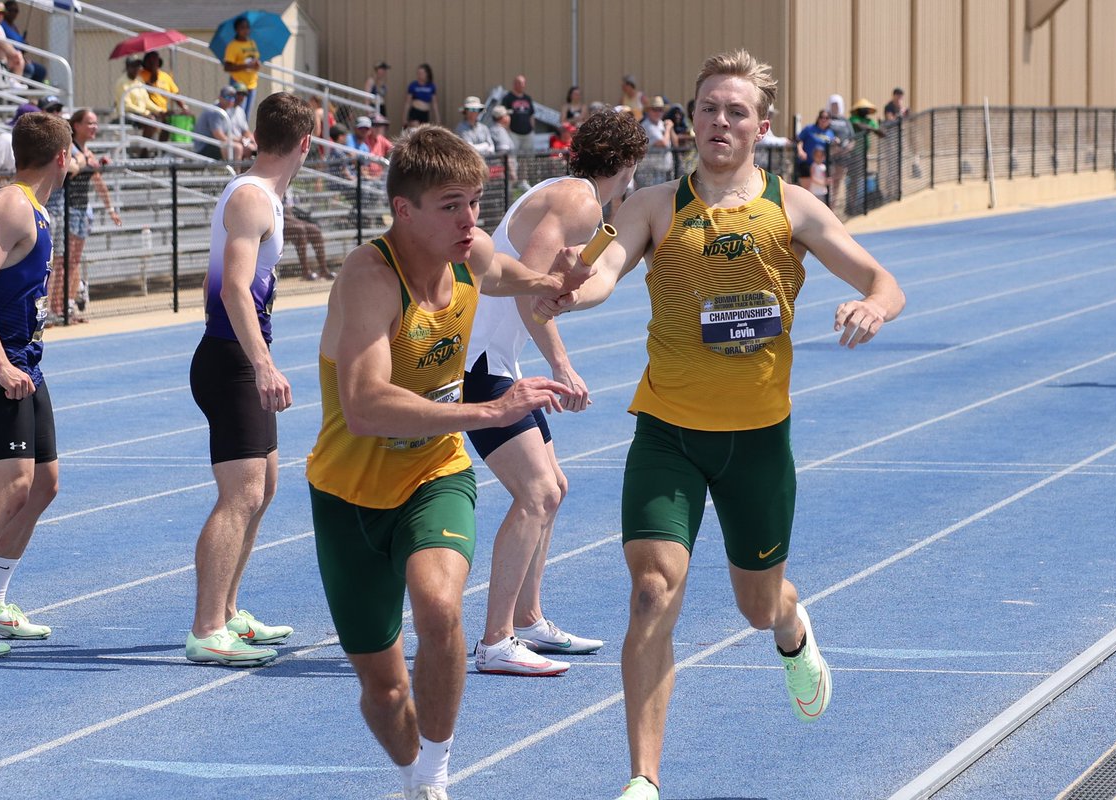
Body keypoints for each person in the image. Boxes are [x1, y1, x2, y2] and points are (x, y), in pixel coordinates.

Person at [535, 50, 905, 800]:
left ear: (762, 127)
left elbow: (882, 279)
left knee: (756, 604)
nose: (720, 122)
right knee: (650, 592)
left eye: (736, 111)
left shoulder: (794, 206)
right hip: (667, 433)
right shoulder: (650, 207)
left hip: (757, 443)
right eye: (708, 108)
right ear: (690, 121)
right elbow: (604, 271)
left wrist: (872, 306)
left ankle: (791, 628)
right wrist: (574, 288)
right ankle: (644, 780)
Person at [305, 125, 592, 799]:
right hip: (347, 495)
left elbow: (509, 276)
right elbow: (367, 407)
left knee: (439, 609)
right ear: (403, 211)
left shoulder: (472, 253)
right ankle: (414, 766)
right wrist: (490, 413)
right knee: (383, 690)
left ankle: (433, 782)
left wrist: (553, 284)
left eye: (475, 202)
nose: (470, 219)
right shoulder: (370, 279)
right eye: (450, 205)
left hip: (434, 476)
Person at [463, 109, 648, 678]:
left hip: (500, 360)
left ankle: (528, 618)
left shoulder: (564, 192)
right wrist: (563, 366)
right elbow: (529, 284)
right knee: (538, 493)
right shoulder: (580, 202)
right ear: (629, 164)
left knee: (554, 487)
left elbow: (533, 282)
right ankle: (495, 639)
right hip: (481, 365)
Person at [185, 92, 315, 667]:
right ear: (306, 144)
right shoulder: (251, 199)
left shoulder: (264, 198)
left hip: (239, 355)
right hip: (230, 359)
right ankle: (206, 626)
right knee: (240, 494)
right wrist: (262, 362)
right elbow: (233, 288)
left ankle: (229, 608)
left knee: (263, 489)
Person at [0, 111, 72, 658]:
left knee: (44, 484)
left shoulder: (38, 210)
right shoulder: (12, 205)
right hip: (3, 365)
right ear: (62, 158)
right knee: (12, 488)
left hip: (28, 364)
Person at [44, 109, 122, 324]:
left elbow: (98, 182)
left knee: (74, 261)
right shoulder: (70, 149)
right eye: (90, 123)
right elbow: (69, 171)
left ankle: (66, 307)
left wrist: (111, 210)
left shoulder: (87, 152)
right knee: (62, 261)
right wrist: (82, 161)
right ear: (76, 125)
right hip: (67, 208)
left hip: (82, 208)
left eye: (96, 123)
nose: (94, 127)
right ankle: (55, 307)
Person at [139, 51, 189, 141]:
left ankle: (162, 149)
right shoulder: (141, 75)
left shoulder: (165, 76)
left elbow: (175, 94)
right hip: (148, 110)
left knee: (171, 118)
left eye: (155, 60)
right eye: (150, 61)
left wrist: (184, 107)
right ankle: (144, 150)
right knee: (152, 120)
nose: (152, 63)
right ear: (145, 63)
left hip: (163, 110)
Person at [113, 57, 163, 142]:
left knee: (165, 118)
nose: (137, 69)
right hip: (126, 115)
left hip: (141, 115)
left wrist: (160, 111)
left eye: (138, 66)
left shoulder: (139, 81)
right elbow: (126, 106)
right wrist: (145, 113)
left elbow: (146, 101)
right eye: (134, 66)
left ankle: (163, 150)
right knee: (150, 120)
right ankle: (144, 150)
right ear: (128, 67)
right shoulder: (121, 83)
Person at [222, 15, 261, 116]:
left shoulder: (252, 43)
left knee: (246, 115)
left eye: (247, 27)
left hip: (252, 83)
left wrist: (256, 65)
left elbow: (255, 59)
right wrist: (246, 66)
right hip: (239, 83)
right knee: (238, 112)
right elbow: (227, 67)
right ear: (237, 30)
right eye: (242, 27)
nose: (245, 30)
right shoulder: (233, 45)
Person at [193, 87, 242, 162]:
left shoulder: (227, 111)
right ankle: (235, 172)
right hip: (204, 146)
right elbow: (218, 135)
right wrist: (235, 142)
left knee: (247, 147)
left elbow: (226, 134)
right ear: (220, 98)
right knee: (238, 148)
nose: (230, 100)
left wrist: (239, 139)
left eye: (233, 98)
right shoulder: (215, 111)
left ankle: (242, 171)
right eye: (228, 97)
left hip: (215, 143)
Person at [636, 96, 675, 187]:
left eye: (660, 110)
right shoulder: (647, 126)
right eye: (655, 109)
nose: (658, 112)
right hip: (650, 173)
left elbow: (675, 142)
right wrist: (668, 128)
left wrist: (671, 128)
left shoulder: (661, 123)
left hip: (664, 171)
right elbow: (663, 143)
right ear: (648, 111)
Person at [0, 2, 43, 82]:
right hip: (8, 58)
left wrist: (24, 45)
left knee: (41, 70)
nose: (14, 13)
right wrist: (18, 54)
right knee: (29, 68)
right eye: (11, 10)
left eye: (16, 11)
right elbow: (9, 48)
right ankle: (19, 93)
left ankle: (25, 92)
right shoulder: (1, 26)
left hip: (17, 57)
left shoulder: (14, 27)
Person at [796, 109, 838, 191]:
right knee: (806, 190)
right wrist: (800, 151)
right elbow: (799, 141)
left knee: (819, 190)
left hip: (820, 167)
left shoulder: (830, 133)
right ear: (818, 118)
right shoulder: (809, 129)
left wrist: (836, 143)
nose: (824, 120)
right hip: (807, 163)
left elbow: (832, 150)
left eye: (827, 118)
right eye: (822, 117)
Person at [501, 74, 535, 158]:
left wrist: (532, 128)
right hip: (514, 133)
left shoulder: (528, 98)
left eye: (523, 83)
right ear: (514, 84)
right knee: (512, 157)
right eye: (520, 83)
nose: (522, 85)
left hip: (528, 133)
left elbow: (531, 115)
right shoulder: (507, 98)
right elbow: (504, 115)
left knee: (528, 158)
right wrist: (507, 130)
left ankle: (526, 172)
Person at [403, 63, 439, 128]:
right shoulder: (413, 85)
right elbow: (407, 102)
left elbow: (435, 104)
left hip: (425, 113)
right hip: (415, 112)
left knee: (423, 133)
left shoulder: (431, 86)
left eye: (421, 73)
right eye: (418, 73)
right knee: (416, 131)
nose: (419, 75)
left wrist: (437, 118)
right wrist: (404, 118)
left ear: (427, 74)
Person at [0, 2, 25, 78]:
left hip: (1, 61)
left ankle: (13, 82)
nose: (0, 16)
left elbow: (6, 42)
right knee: (1, 47)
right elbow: (1, 42)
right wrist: (14, 53)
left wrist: (16, 54)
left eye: (3, 13)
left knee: (19, 59)